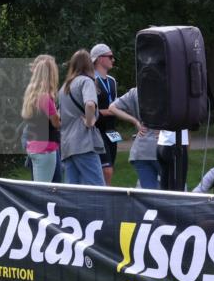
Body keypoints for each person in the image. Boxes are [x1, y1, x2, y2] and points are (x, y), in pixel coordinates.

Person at [58, 49, 104, 186]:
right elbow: (90, 104)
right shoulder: (86, 81)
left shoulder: (64, 87)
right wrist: (90, 122)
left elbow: (60, 115)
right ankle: (99, 209)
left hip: (67, 144)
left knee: (73, 189)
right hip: (83, 142)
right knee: (97, 187)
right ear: (89, 64)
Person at [109, 87, 160, 189]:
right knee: (173, 193)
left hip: (141, 149)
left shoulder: (136, 91)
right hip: (163, 147)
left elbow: (112, 107)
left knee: (148, 194)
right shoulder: (169, 89)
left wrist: (135, 121)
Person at [21, 54, 61, 183]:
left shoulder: (31, 95)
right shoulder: (45, 97)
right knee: (42, 190)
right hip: (46, 148)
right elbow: (56, 123)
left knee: (43, 186)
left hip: (33, 146)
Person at [90, 43, 121, 185]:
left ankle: (105, 196)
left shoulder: (112, 81)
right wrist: (110, 111)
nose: (113, 60)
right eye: (110, 57)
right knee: (106, 170)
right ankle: (103, 198)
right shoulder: (91, 81)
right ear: (100, 59)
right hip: (97, 130)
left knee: (110, 170)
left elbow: (117, 105)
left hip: (111, 131)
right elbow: (89, 109)